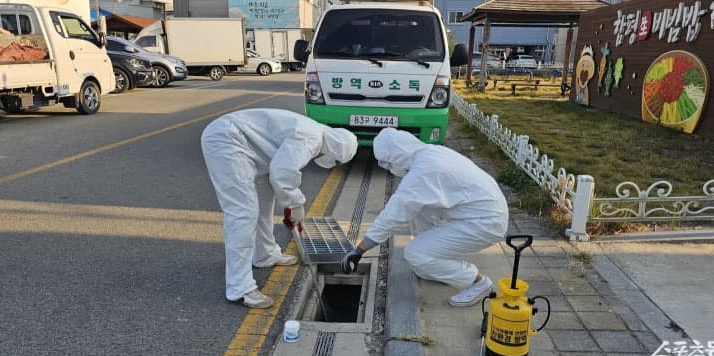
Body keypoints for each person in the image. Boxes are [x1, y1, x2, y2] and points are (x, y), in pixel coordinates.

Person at [202, 109, 358, 309]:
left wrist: (291, 202)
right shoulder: (311, 137)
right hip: (228, 141)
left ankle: (265, 254)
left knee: (264, 203)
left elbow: (280, 168)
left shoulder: (314, 133)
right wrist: (295, 203)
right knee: (243, 213)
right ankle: (239, 288)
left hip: (249, 149)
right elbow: (283, 172)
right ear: (334, 149)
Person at [341, 128, 508, 307]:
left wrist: (360, 250)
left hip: (486, 222)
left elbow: (394, 214)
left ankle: (477, 282)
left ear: (397, 156)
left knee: (414, 253)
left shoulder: (422, 172)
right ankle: (430, 261)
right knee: (420, 210)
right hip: (479, 212)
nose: (389, 169)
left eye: (388, 164)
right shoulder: (429, 153)